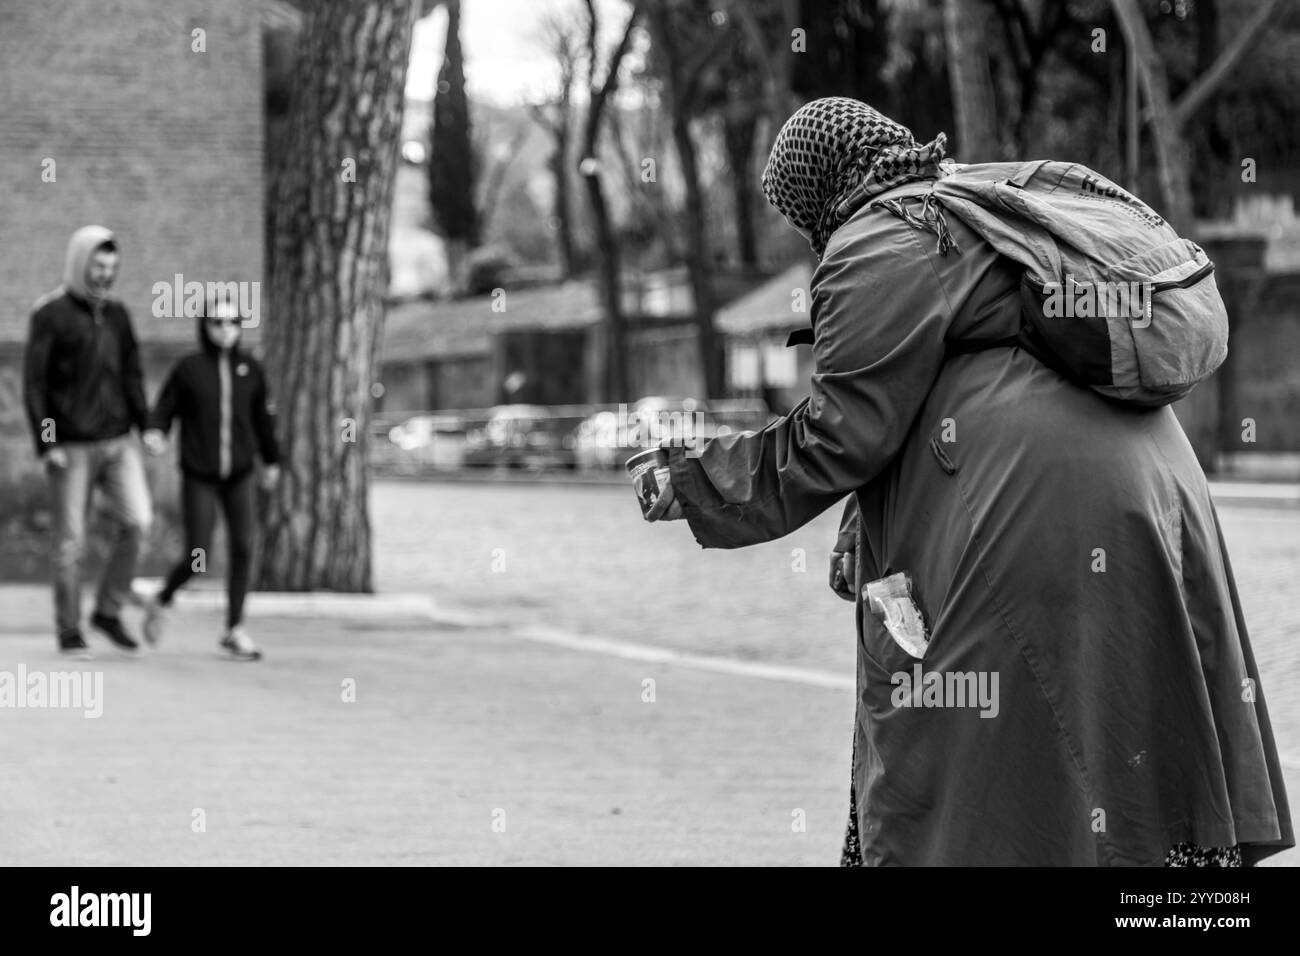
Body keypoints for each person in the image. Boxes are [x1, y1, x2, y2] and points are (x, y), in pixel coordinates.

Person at [644, 98, 1293, 867]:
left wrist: (694, 479)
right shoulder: (985, 200)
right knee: (1127, 720)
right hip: (1155, 488)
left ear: (815, 192)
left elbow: (840, 433)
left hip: (1034, 514)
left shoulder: (878, 238)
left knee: (987, 766)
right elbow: (905, 398)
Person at [23, 226, 153, 658]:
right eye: (98, 266)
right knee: (70, 541)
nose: (105, 275)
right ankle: (69, 629)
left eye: (112, 267)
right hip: (72, 447)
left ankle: (109, 611)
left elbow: (133, 374)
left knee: (138, 522)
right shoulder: (51, 314)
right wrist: (48, 443)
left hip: (118, 442)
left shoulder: (118, 315)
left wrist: (147, 425)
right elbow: (35, 385)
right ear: (80, 263)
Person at [140, 295, 281, 661]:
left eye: (233, 322)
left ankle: (234, 629)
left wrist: (271, 461)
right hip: (199, 474)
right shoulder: (189, 368)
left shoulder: (251, 369)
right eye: (217, 323)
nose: (226, 330)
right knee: (199, 554)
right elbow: (164, 408)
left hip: (239, 474)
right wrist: (156, 432)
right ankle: (163, 597)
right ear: (205, 326)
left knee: (243, 548)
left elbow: (263, 422)